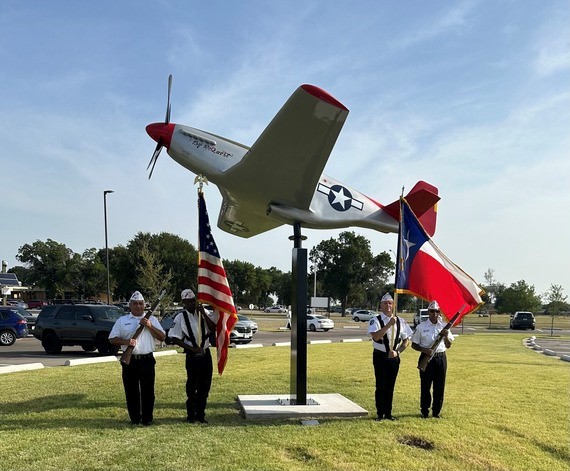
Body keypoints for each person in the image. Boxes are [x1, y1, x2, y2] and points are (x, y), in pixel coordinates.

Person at [109, 291, 166, 426]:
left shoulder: (152, 320)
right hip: (131, 360)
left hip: (147, 360)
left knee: (148, 392)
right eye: (135, 304)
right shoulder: (122, 321)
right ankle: (135, 419)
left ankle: (147, 419)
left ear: (144, 305)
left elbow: (162, 337)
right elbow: (112, 339)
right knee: (131, 391)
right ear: (130, 305)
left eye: (141, 303)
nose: (138, 306)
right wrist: (127, 342)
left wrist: (149, 326)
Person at [168, 289, 217, 424]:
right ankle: (191, 415)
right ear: (183, 302)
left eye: (193, 300)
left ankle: (201, 414)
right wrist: (192, 349)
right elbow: (175, 338)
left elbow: (213, 328)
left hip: (206, 354)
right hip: (192, 355)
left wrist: (203, 313)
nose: (191, 303)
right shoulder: (180, 317)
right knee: (192, 385)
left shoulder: (203, 313)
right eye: (188, 301)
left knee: (205, 386)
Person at [368, 292, 413, 421]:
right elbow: (376, 336)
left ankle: (388, 413)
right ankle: (380, 413)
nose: (388, 305)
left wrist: (398, 352)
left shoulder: (401, 321)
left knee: (390, 386)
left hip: (394, 358)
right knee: (380, 385)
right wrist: (388, 325)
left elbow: (406, 340)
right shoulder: (376, 320)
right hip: (380, 357)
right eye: (385, 303)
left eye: (390, 303)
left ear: (393, 305)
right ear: (380, 306)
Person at [411, 300, 454, 418]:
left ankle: (436, 412)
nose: (434, 313)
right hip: (426, 358)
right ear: (428, 312)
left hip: (441, 358)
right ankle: (424, 411)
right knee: (425, 386)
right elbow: (414, 344)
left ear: (439, 313)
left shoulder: (444, 326)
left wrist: (445, 336)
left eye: (437, 311)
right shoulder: (421, 326)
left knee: (439, 386)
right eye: (432, 311)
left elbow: (448, 345)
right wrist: (425, 350)